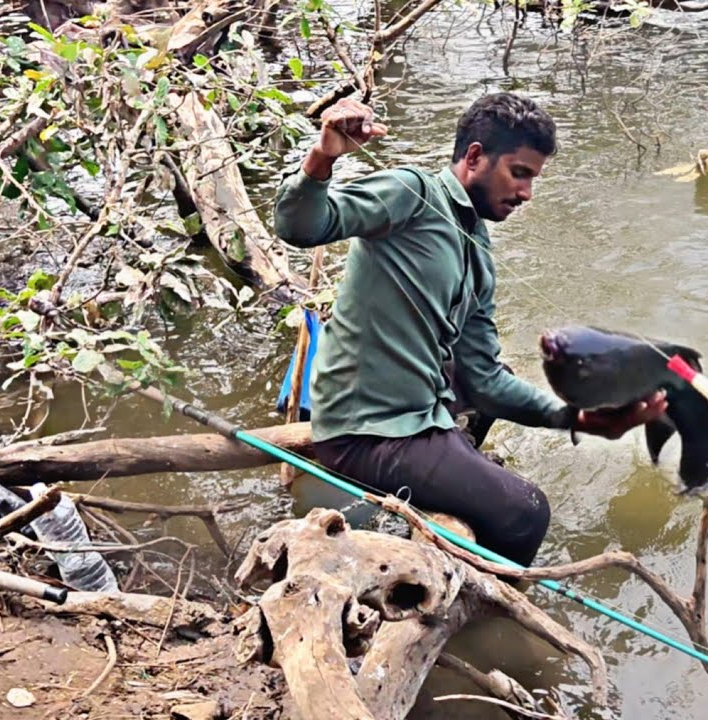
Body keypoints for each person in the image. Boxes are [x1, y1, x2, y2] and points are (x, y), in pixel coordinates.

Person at [273, 93, 667, 567]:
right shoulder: (409, 193)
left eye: (533, 179)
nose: (526, 194)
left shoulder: (477, 250)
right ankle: (482, 603)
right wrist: (324, 155)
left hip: (417, 405)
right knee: (526, 510)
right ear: (476, 157)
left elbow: (485, 378)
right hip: (366, 431)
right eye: (519, 173)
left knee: (488, 386)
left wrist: (578, 416)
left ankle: (456, 480)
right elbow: (300, 225)